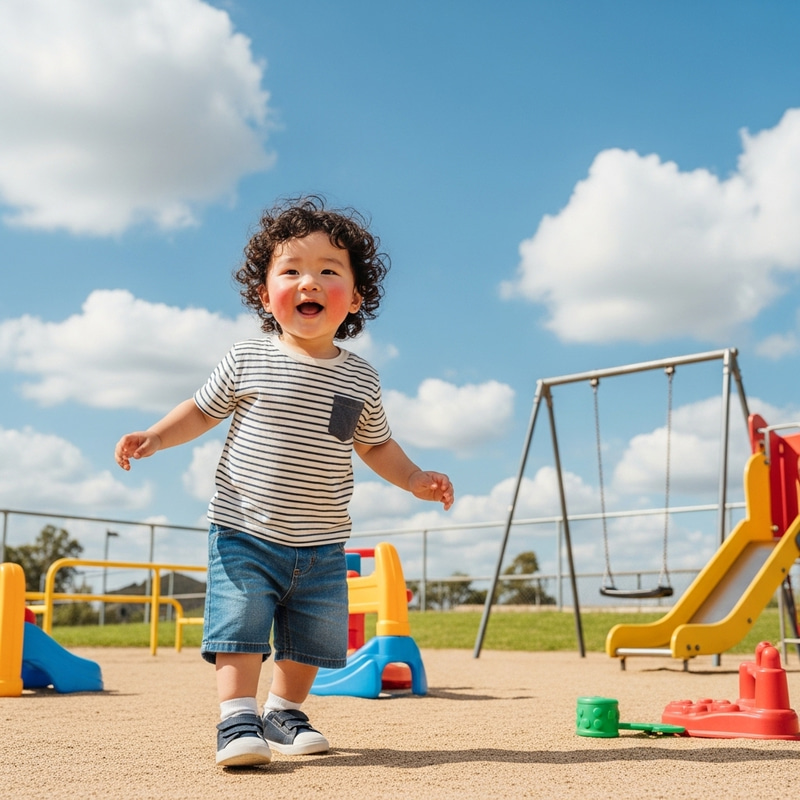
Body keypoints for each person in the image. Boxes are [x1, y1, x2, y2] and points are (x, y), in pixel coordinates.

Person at [114, 196, 454, 768]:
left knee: (311, 639)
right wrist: (155, 435)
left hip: (321, 540)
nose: (308, 282)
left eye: (328, 271)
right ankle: (236, 717)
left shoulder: (359, 379)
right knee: (240, 624)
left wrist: (415, 476)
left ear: (357, 297)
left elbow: (372, 444)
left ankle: (283, 710)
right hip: (244, 530)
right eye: (291, 270)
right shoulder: (247, 358)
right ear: (263, 293)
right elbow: (201, 410)